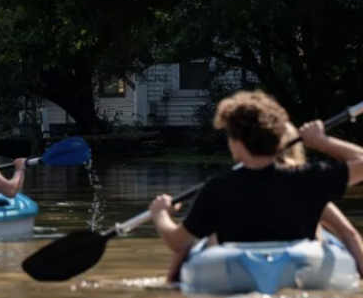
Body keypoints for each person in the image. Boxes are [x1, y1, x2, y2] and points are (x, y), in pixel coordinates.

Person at [150, 90, 363, 281]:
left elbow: (178, 243)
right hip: (299, 267)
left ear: (237, 143)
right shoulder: (309, 179)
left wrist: (160, 214)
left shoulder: (217, 188)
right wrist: (322, 142)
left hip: (237, 273)